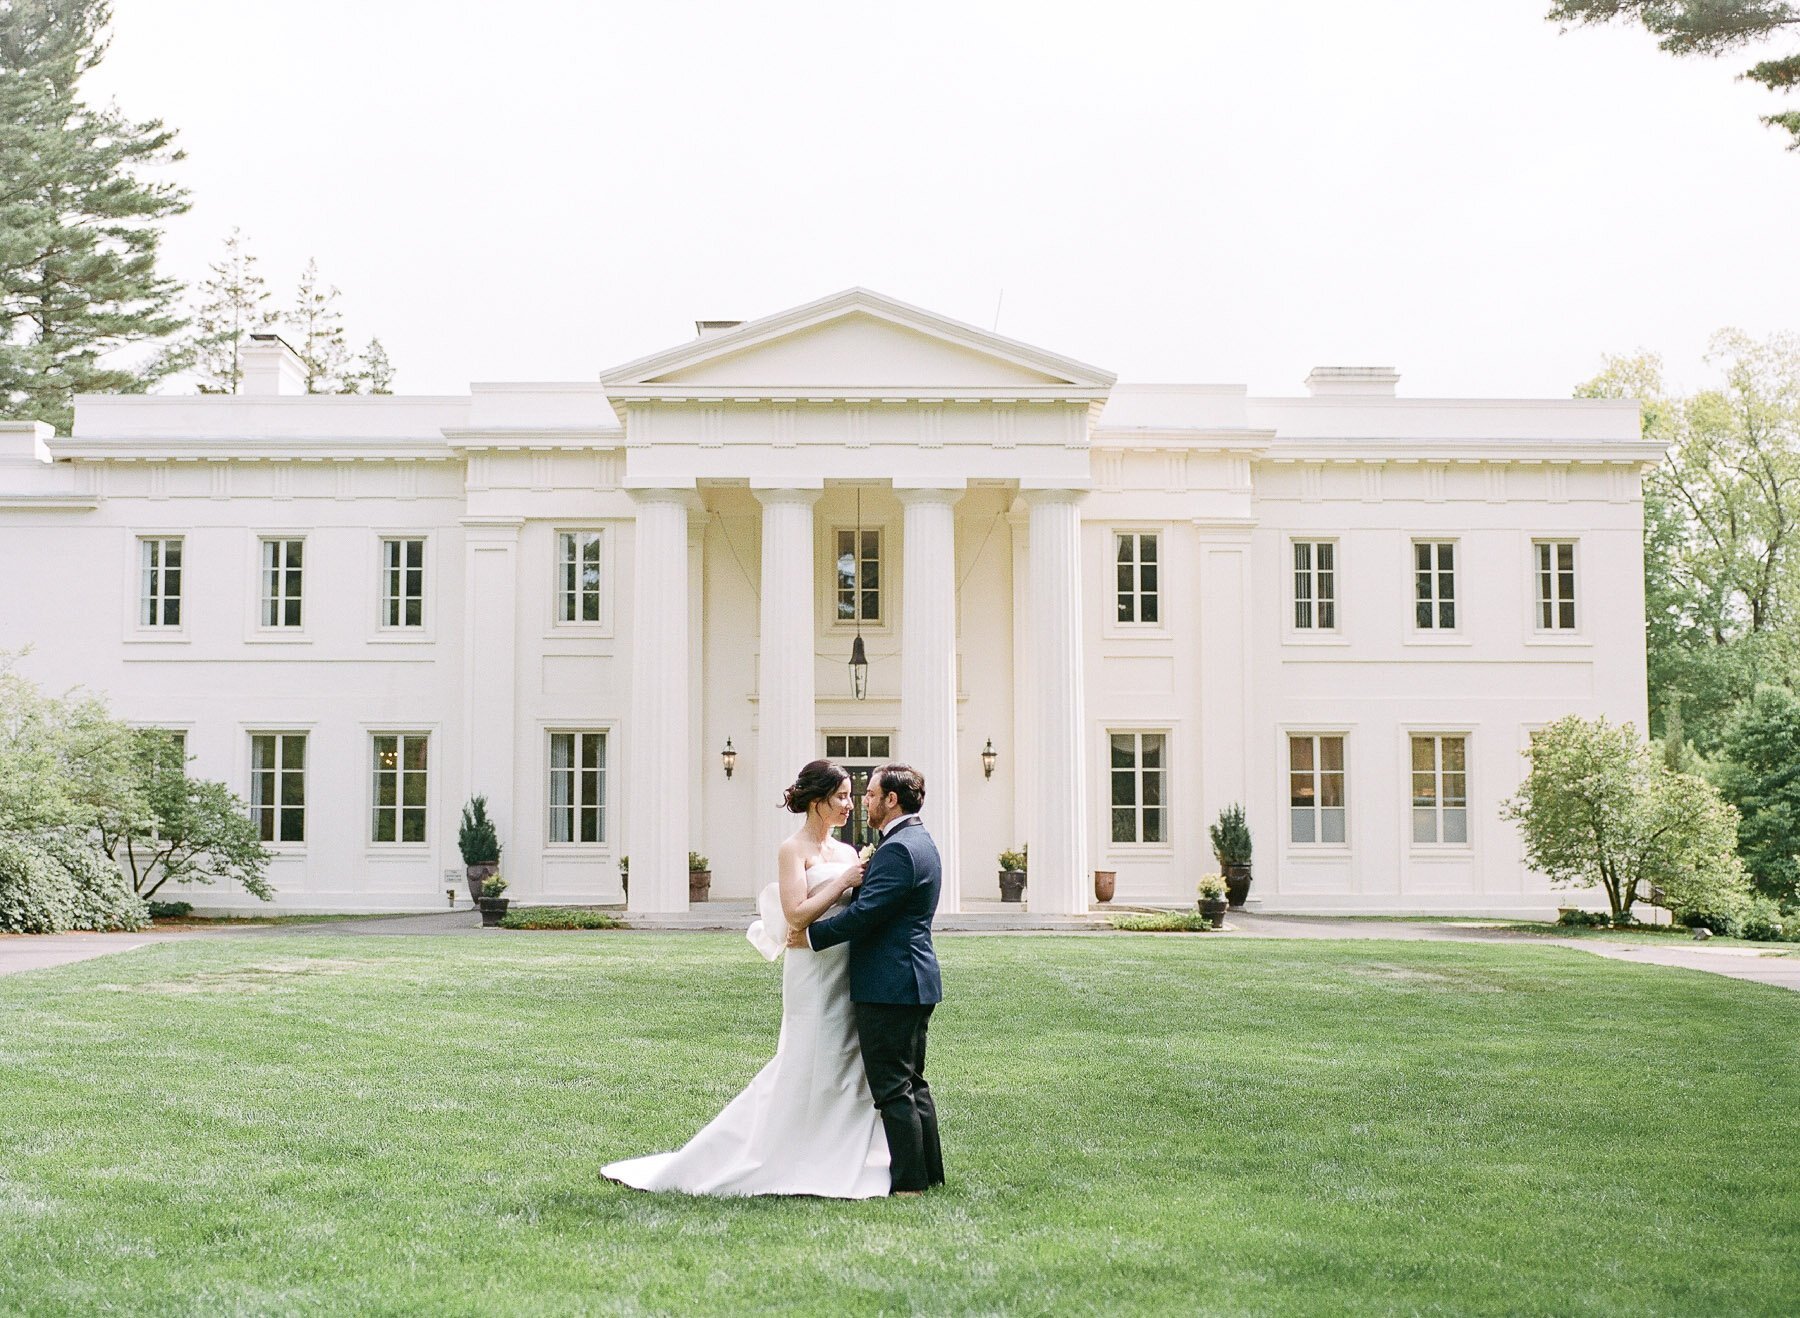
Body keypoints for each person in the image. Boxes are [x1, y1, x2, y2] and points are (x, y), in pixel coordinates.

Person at [600, 760, 891, 1198]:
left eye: (852, 796)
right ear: (817, 802)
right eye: (842, 796)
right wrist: (843, 883)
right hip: (811, 973)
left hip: (844, 966)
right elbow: (796, 913)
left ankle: (836, 1152)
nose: (850, 805)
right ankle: (769, 1151)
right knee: (805, 1056)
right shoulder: (793, 850)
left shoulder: (850, 852)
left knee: (846, 1059)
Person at [792, 762, 944, 1196]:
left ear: (891, 800)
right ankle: (930, 1175)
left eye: (873, 795)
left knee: (893, 1087)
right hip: (913, 978)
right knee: (913, 1083)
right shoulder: (920, 840)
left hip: (890, 982)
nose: (865, 802)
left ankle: (911, 1185)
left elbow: (866, 913)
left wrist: (810, 935)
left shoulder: (897, 849)